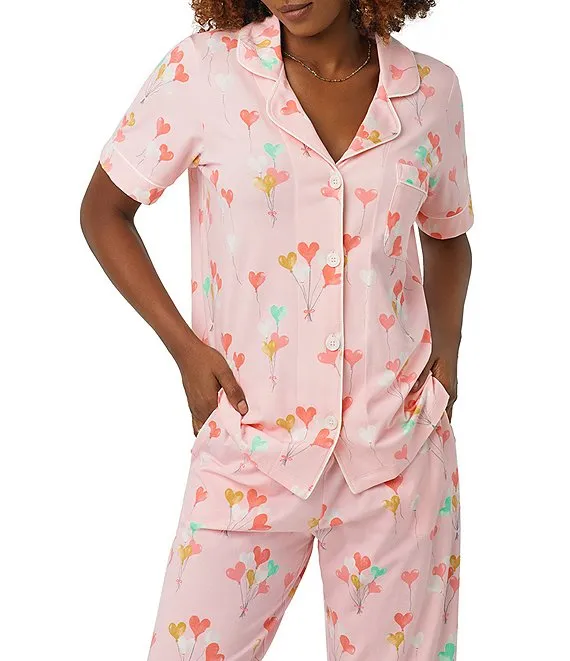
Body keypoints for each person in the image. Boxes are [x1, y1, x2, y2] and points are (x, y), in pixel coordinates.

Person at [80, 1, 473, 659]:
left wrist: (448, 354)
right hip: (249, 446)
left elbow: (448, 236)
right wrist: (186, 350)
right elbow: (104, 210)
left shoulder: (431, 91)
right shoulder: (204, 71)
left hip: (397, 452)